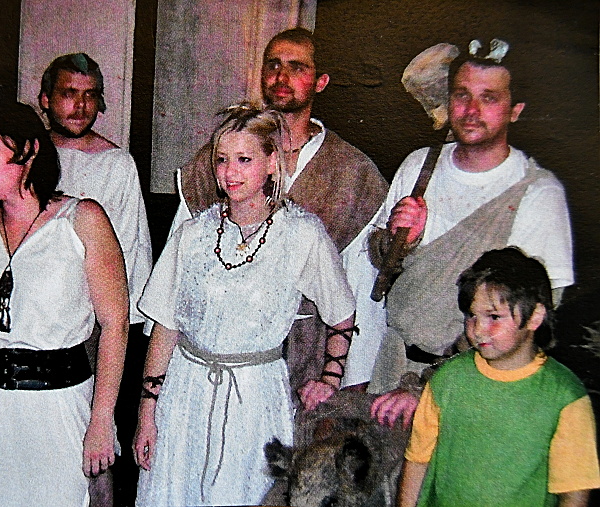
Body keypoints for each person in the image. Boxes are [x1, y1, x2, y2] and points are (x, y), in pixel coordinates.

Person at [133, 104, 357, 506]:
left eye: (244, 159)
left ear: (271, 162)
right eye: (222, 160)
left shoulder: (301, 234)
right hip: (184, 395)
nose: (229, 172)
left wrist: (330, 378)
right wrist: (147, 413)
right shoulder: (193, 234)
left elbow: (341, 312)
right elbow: (166, 325)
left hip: (254, 400)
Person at [0, 102, 128, 506]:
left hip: (57, 408)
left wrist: (102, 421)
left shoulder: (82, 220)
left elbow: (115, 324)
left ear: (30, 150)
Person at [0, 55, 152, 503]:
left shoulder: (116, 165)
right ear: (45, 99)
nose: (80, 106)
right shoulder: (9, 156)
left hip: (87, 329)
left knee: (86, 455)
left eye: (90, 96)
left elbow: (130, 257)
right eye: (69, 94)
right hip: (14, 330)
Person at [175, 28, 388, 405]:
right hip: (216, 355)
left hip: (310, 362)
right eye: (272, 65)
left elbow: (358, 291)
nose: (281, 76)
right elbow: (179, 273)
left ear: (321, 82)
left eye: (297, 67)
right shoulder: (221, 159)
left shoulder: (353, 173)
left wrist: (343, 381)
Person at [368, 39, 574, 427]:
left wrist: (428, 386)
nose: (471, 110)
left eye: (489, 98)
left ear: (515, 110)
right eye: (462, 95)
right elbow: (383, 270)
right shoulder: (419, 166)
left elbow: (531, 322)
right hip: (391, 370)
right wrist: (400, 243)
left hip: (473, 385)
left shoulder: (537, 194)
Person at [398, 247, 599, 506]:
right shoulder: (448, 380)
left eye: (493, 317)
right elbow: (417, 461)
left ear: (534, 317)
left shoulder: (565, 397)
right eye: (472, 315)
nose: (478, 330)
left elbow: (574, 490)